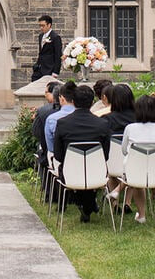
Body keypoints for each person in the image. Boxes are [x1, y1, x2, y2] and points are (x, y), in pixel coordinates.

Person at [53, 84, 112, 223]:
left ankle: (87, 205)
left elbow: (58, 155)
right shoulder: (102, 124)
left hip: (70, 172)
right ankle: (89, 205)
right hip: (97, 172)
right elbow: (106, 154)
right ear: (92, 102)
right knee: (87, 170)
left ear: (72, 101)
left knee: (76, 169)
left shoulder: (62, 123)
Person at [111, 93, 155, 224]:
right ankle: (140, 215)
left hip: (134, 171)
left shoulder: (130, 128)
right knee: (140, 169)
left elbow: (124, 150)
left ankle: (142, 214)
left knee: (136, 176)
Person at [44, 81, 77, 157]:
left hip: (61, 160)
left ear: (61, 98)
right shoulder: (89, 118)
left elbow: (51, 148)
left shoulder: (52, 119)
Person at [32, 14, 62, 81]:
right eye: (40, 26)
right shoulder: (40, 36)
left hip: (49, 70)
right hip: (38, 70)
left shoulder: (55, 37)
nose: (41, 28)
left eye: (43, 26)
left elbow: (58, 55)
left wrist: (55, 72)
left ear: (49, 25)